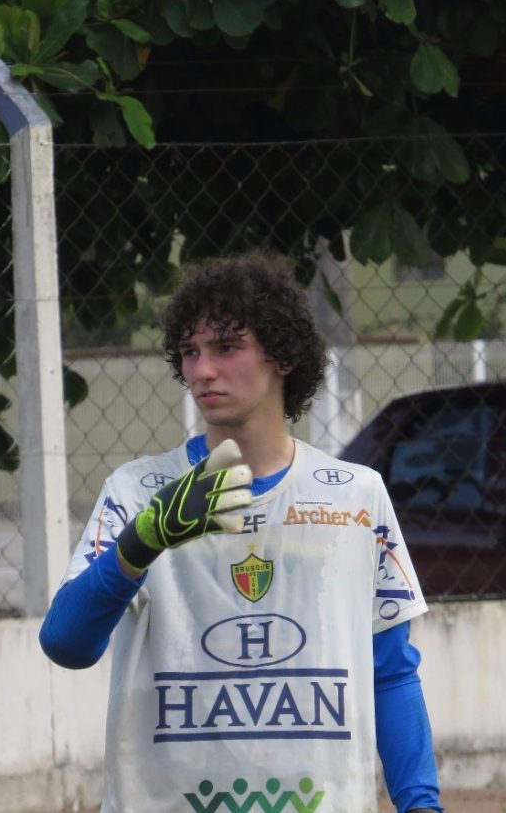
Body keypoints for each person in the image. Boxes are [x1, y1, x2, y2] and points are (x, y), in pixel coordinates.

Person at [39, 253, 444, 813]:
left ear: (285, 355)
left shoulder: (355, 496)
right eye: (189, 352)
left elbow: (392, 674)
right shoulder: (138, 492)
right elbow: (65, 644)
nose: (202, 371)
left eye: (226, 348)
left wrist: (422, 805)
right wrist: (141, 541)